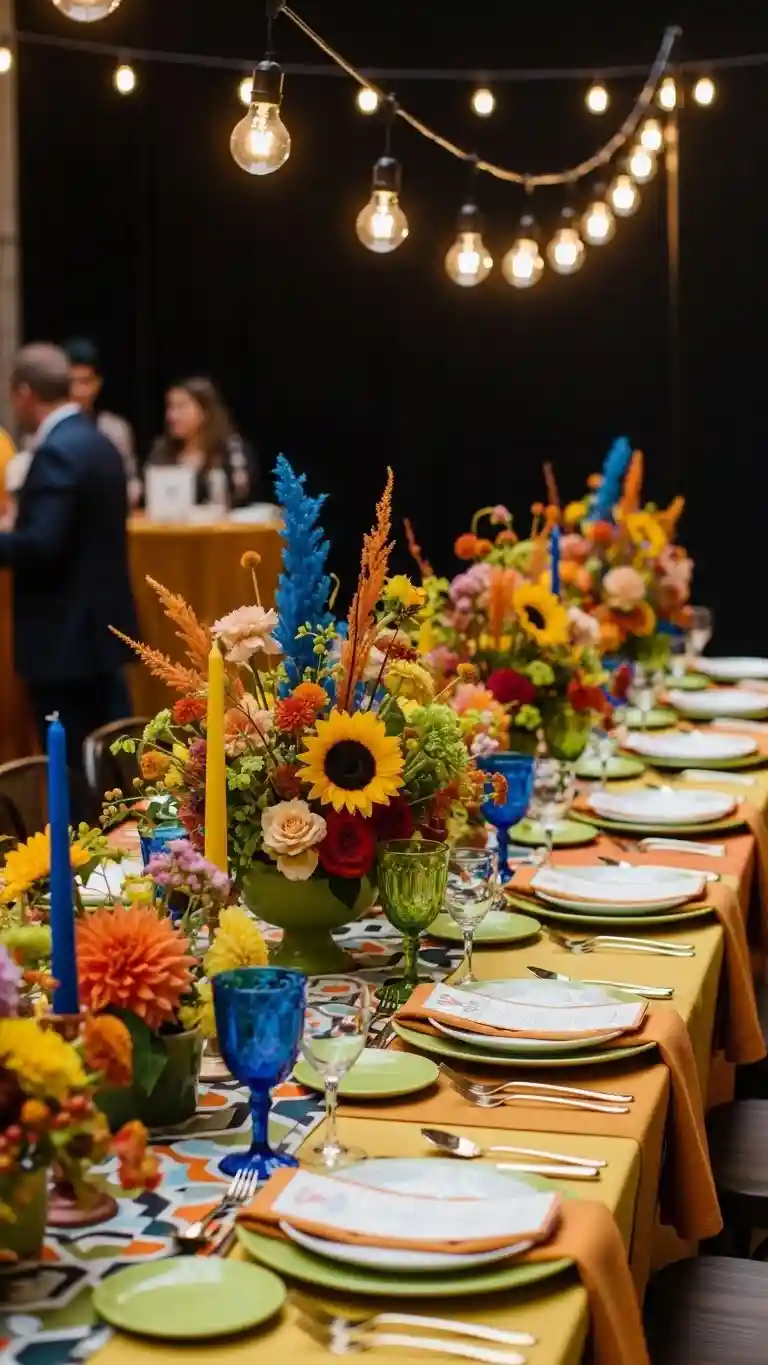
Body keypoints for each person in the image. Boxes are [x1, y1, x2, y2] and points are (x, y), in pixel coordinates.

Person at [0, 343, 139, 821]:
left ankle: (84, 868)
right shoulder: (98, 441)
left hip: (62, 640)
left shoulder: (57, 450)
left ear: (23, 392)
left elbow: (41, 544)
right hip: (98, 632)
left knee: (74, 776)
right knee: (104, 765)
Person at [147, 377, 258, 509]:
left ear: (205, 411)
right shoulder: (162, 449)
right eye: (170, 407)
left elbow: (241, 493)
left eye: (181, 407)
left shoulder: (231, 447)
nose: (172, 416)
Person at [64, 337, 142, 508]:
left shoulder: (115, 429)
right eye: (71, 382)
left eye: (85, 382)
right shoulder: (48, 428)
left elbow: (130, 481)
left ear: (97, 384)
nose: (77, 391)